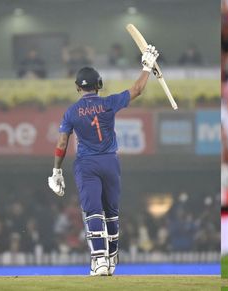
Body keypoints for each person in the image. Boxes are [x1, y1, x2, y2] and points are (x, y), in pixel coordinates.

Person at [47, 44, 160, 276]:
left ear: (78, 87)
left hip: (87, 164)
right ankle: (111, 258)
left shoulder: (71, 112)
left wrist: (56, 172)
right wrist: (147, 66)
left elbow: (61, 144)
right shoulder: (108, 103)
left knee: (93, 212)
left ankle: (99, 261)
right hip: (110, 162)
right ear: (99, 85)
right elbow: (137, 89)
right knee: (112, 213)